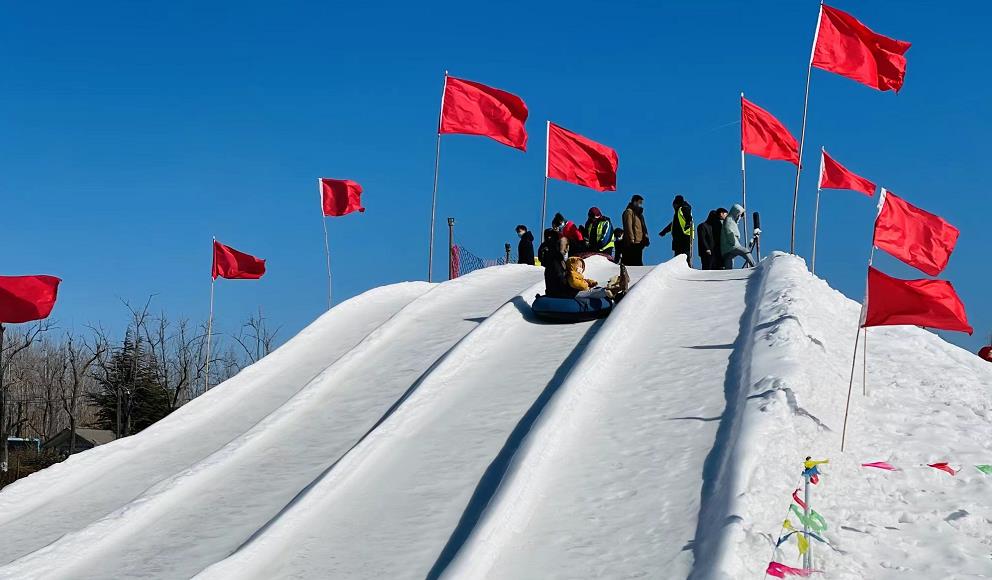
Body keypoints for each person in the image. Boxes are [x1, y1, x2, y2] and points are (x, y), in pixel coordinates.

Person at [659, 194, 693, 267]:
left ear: (676, 204)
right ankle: (682, 268)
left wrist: (687, 225)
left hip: (683, 237)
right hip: (680, 237)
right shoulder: (679, 211)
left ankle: (686, 268)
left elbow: (688, 218)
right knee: (680, 256)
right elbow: (674, 224)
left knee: (683, 256)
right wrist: (664, 231)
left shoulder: (684, 208)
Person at [721, 204, 756, 269]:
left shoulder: (732, 221)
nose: (740, 216)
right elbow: (729, 231)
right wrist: (733, 242)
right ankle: (755, 266)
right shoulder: (729, 220)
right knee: (745, 251)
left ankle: (727, 274)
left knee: (729, 260)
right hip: (731, 245)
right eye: (739, 214)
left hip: (727, 247)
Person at [621, 195, 649, 266]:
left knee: (638, 262)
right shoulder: (629, 212)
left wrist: (645, 237)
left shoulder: (639, 214)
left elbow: (643, 227)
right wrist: (631, 239)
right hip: (632, 243)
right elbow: (628, 226)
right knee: (634, 263)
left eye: (641, 203)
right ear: (634, 202)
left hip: (639, 242)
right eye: (639, 202)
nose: (640, 204)